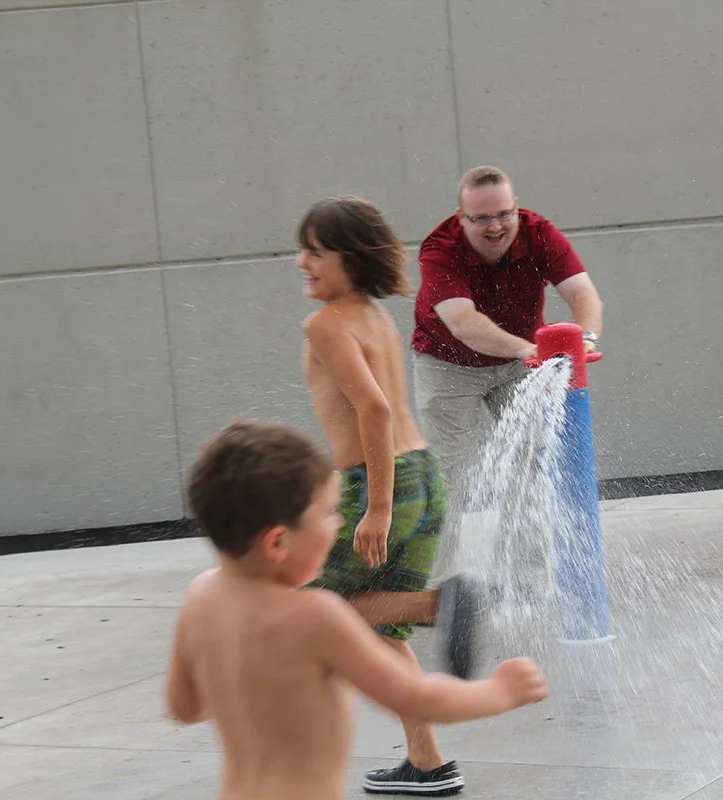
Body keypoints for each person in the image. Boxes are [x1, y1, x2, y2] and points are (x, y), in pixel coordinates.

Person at [165, 418, 548, 800]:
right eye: (329, 513)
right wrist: (500, 692)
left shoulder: (200, 596)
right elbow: (415, 698)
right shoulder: (315, 616)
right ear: (278, 542)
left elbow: (184, 706)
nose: (339, 523)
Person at [294, 196, 480, 795]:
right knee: (378, 628)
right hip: (423, 475)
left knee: (308, 613)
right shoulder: (372, 314)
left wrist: (373, 507)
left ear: (349, 258)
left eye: (316, 252)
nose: (302, 261)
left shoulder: (325, 324)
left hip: (382, 485)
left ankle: (436, 607)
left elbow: (371, 408)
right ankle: (427, 762)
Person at [410, 166, 605, 569]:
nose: (495, 226)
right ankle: (443, 587)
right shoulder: (439, 249)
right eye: (481, 218)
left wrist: (585, 339)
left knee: (531, 465)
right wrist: (532, 350)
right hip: (448, 365)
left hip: (517, 362)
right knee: (451, 477)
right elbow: (464, 325)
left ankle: (527, 578)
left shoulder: (538, 232)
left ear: (516, 208)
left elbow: (582, 292)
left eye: (503, 214)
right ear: (461, 218)